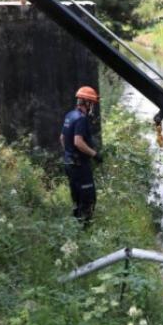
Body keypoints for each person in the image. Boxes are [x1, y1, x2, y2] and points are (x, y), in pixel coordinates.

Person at [60, 86, 103, 223]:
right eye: (92, 103)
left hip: (69, 164)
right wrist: (94, 154)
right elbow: (78, 142)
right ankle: (85, 229)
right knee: (88, 198)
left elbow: (62, 138)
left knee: (77, 197)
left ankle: (77, 226)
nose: (92, 107)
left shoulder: (70, 115)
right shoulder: (81, 119)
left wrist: (69, 153)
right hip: (80, 166)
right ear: (87, 103)